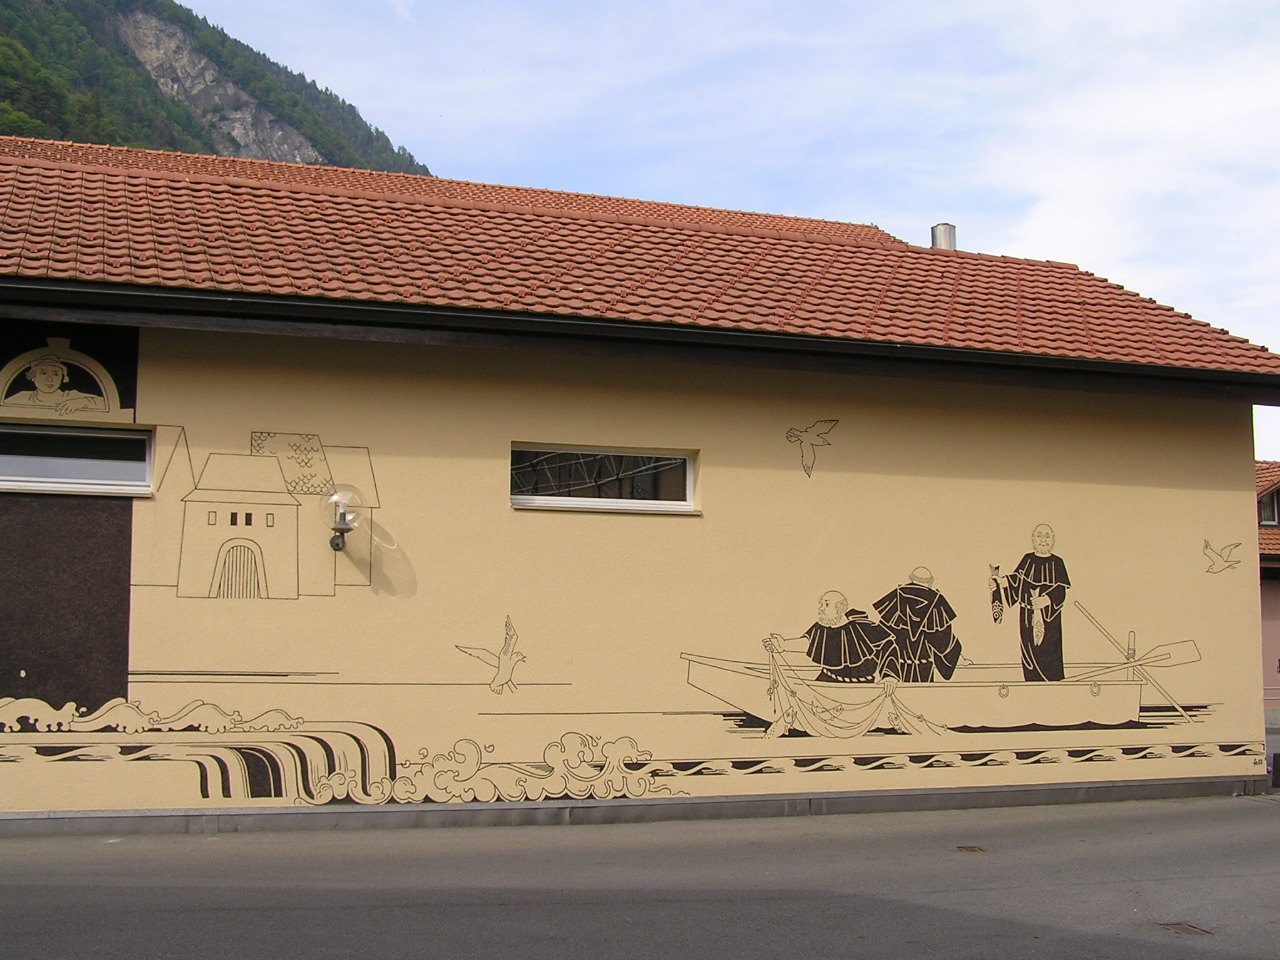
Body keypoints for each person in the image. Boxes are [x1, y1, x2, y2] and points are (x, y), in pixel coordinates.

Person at [762, 590, 901, 685]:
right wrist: (783, 645)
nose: (821, 608)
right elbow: (808, 643)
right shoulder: (820, 628)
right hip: (827, 681)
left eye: (826, 604)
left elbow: (888, 646)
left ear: (840, 608)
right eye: (821, 604)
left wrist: (890, 676)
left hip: (860, 687)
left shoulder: (863, 627)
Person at [991, 524, 1071, 681]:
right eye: (1039, 536)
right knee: (1028, 653)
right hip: (1027, 615)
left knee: (1049, 651)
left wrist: (1046, 600)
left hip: (1049, 618)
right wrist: (1001, 582)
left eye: (1047, 536)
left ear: (1053, 539)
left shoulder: (1058, 562)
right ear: (1033, 539)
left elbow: (1061, 590)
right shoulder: (1028, 559)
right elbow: (1017, 581)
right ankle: (1031, 683)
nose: (1043, 540)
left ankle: (1053, 682)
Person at [873, 567, 963, 682]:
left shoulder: (895, 597)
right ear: (930, 581)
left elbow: (883, 639)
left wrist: (889, 674)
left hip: (897, 671)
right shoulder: (937, 601)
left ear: (911, 578)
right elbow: (945, 643)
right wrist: (957, 655)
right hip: (924, 669)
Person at [4, 355, 105, 416]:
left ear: (62, 379)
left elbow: (105, 402)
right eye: (44, 373)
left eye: (56, 374)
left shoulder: (70, 396)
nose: (50, 379)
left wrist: (81, 402)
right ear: (33, 376)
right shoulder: (23, 397)